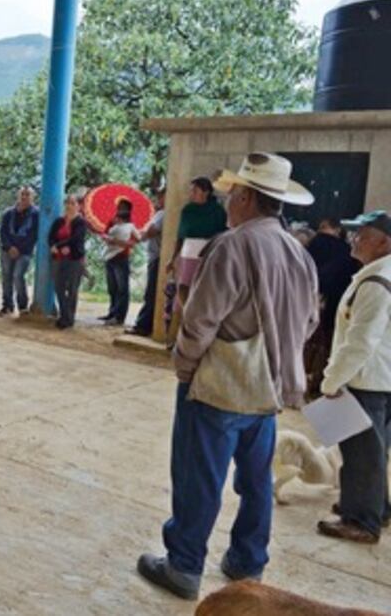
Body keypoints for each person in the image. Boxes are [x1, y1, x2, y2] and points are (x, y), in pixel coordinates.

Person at [137, 152, 317, 602]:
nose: (229, 201)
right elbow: (311, 320)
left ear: (248, 197)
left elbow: (200, 320)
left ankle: (183, 565)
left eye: (234, 193)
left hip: (221, 385)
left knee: (199, 477)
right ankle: (247, 562)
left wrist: (186, 368)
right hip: (268, 389)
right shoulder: (298, 250)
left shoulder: (231, 245)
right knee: (256, 481)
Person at [316, 211, 391, 544]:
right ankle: (374, 506)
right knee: (373, 450)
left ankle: (361, 520)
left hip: (365, 379)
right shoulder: (378, 274)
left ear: (384, 243)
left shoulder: (376, 283)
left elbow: (360, 342)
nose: (355, 238)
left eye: (364, 233)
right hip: (380, 378)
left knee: (362, 453)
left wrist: (331, 381)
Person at [303, 218, 361, 397]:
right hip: (336, 303)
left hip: (311, 299)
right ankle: (317, 385)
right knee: (326, 345)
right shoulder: (345, 251)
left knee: (309, 345)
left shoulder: (314, 244)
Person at [167, 176, 229, 339]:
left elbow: (222, 236)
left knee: (202, 293)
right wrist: (173, 258)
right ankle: (179, 334)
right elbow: (180, 236)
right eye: (191, 191)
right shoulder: (187, 210)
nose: (191, 194)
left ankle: (198, 335)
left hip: (208, 255)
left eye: (195, 191)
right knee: (182, 290)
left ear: (206, 192)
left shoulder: (218, 211)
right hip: (188, 254)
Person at [128, 188, 167, 337]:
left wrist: (140, 236)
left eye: (161, 197)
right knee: (152, 292)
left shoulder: (162, 214)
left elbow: (151, 230)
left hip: (156, 256)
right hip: (155, 256)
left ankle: (143, 326)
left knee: (151, 293)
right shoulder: (162, 213)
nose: (158, 200)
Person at [0, 186, 39, 317]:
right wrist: (10, 247)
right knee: (6, 277)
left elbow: (34, 235)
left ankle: (22, 306)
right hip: (7, 250)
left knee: (18, 276)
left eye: (28, 195)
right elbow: (3, 232)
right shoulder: (8, 213)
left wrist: (19, 249)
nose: (24, 197)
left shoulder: (36, 215)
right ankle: (7, 305)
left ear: (33, 197)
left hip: (25, 252)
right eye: (22, 194)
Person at [48, 194, 88, 329]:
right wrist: (54, 246)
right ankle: (65, 314)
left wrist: (61, 246)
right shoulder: (59, 221)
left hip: (75, 259)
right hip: (59, 258)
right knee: (58, 287)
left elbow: (76, 238)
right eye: (67, 203)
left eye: (72, 203)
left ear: (78, 206)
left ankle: (68, 319)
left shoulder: (81, 222)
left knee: (72, 289)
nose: (69, 206)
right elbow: (51, 236)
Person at [99, 202, 140, 326]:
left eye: (123, 208)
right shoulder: (112, 222)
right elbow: (104, 234)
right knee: (112, 288)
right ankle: (112, 312)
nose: (120, 210)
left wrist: (122, 243)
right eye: (119, 208)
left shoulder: (131, 225)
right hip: (109, 256)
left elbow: (135, 241)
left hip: (122, 257)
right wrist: (109, 239)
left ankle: (119, 316)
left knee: (122, 288)